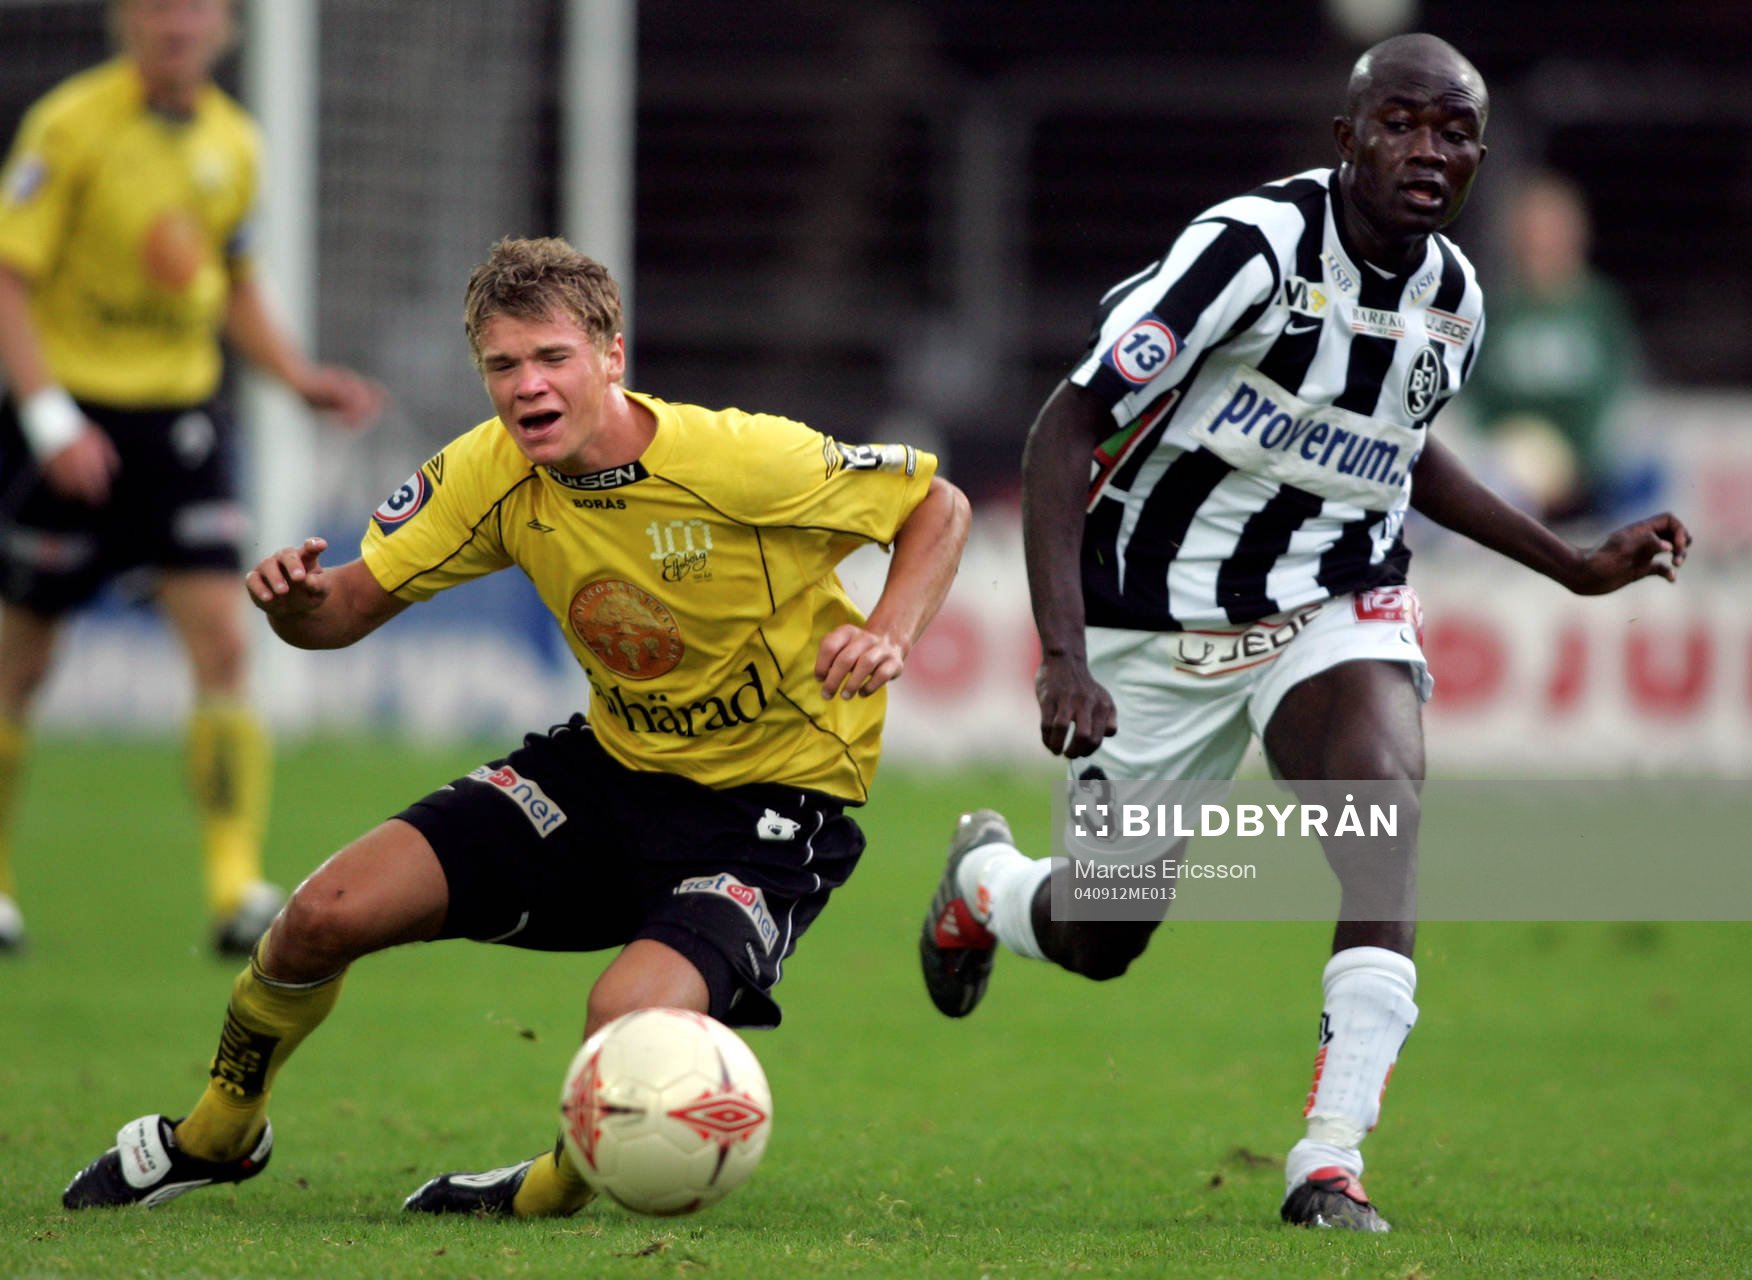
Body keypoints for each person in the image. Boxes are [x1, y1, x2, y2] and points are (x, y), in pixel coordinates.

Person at [917, 34, 1689, 1233]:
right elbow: (1065, 431)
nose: (1428, 151)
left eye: (1454, 132)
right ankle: (986, 882)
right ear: (1348, 138)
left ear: (1479, 154)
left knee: (1383, 821)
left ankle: (1327, 1159)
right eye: (1401, 124)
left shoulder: (1456, 301)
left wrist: (1573, 562)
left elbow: (1401, 448)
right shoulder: (1249, 251)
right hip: (1156, 620)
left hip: (1332, 597)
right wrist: (1061, 652)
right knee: (1098, 933)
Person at [61, 235, 971, 1216]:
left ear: (612, 356)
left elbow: (938, 505)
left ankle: (542, 1193)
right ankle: (217, 1131)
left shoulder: (739, 459)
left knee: (624, 1020)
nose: (526, 385)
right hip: (608, 773)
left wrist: (887, 631)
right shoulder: (486, 474)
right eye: (502, 364)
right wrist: (294, 603)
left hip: (772, 802)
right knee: (319, 914)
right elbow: (346, 609)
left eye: (551, 357)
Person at [0, 0, 382, 956]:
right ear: (127, 21)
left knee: (223, 640)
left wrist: (298, 380)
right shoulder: (68, 125)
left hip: (180, 424)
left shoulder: (233, 144)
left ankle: (233, 889)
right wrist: (50, 421)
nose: (179, 24)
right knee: (23, 664)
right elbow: (10, 279)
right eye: (160, 8)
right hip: (68, 419)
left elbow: (235, 282)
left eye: (196, 9)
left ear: (224, 26)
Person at [1462, 172, 1643, 523]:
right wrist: (1510, 445)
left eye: (1552, 228)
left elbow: (1617, 388)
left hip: (1590, 466)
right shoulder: (1495, 309)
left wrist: (1580, 459)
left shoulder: (1599, 307)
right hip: (1511, 465)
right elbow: (1475, 395)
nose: (1542, 241)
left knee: (1644, 466)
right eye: (1533, 229)